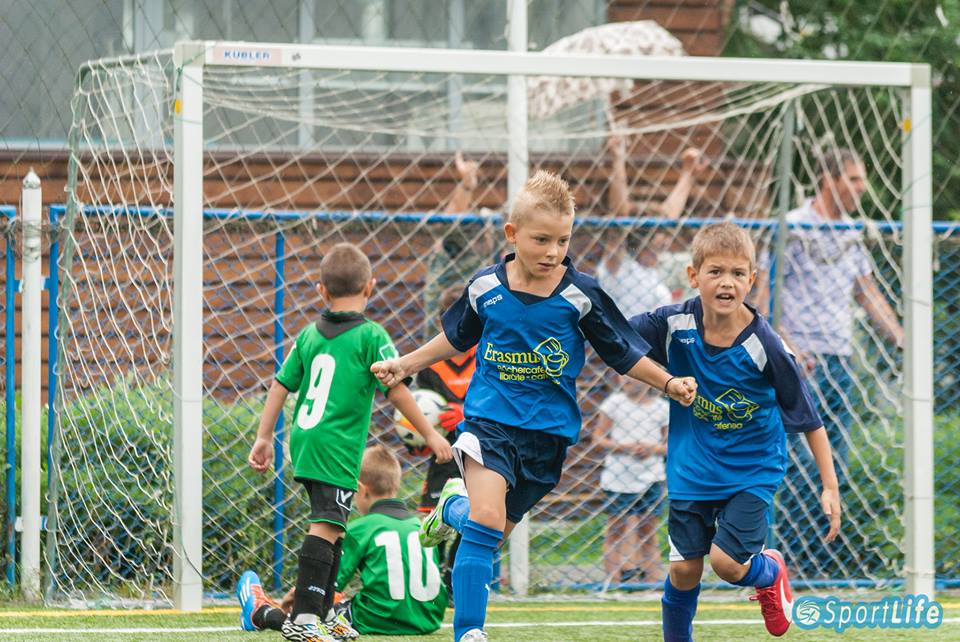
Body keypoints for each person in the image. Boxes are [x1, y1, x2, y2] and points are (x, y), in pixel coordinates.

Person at [370, 170, 698, 642]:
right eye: (541, 240)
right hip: (489, 424)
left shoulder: (580, 294)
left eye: (562, 241)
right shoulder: (486, 287)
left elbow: (622, 353)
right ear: (513, 234)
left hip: (547, 436)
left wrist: (668, 382)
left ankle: (452, 509)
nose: (552, 251)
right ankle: (469, 632)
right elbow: (456, 337)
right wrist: (404, 363)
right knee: (486, 522)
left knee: (488, 534)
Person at [628, 222, 841, 641]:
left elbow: (810, 420)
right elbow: (615, 337)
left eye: (737, 273)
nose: (727, 282)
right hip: (691, 467)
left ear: (751, 280)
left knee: (726, 565)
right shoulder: (672, 323)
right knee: (684, 570)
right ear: (693, 276)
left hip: (751, 470)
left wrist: (829, 486)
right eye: (716, 271)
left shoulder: (767, 345)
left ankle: (770, 572)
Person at [244, 242, 453, 642]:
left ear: (321, 291)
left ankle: (322, 612)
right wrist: (430, 434)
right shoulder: (371, 336)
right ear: (370, 286)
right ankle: (306, 618)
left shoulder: (308, 335)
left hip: (305, 440)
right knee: (326, 525)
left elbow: (280, 385)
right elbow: (397, 390)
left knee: (336, 526)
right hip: (335, 446)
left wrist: (264, 436)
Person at [752, 147, 902, 576]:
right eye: (853, 179)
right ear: (829, 180)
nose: (861, 188)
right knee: (799, 466)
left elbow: (867, 292)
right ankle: (783, 561)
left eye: (861, 179)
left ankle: (819, 561)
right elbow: (764, 297)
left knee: (835, 464)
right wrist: (787, 346)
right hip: (803, 361)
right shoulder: (793, 226)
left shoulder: (852, 232)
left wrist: (901, 336)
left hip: (841, 358)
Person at [238, 446, 449, 637]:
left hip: (376, 618)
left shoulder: (361, 528)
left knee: (315, 613)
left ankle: (261, 613)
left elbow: (326, 583)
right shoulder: (421, 526)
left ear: (361, 489)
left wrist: (296, 597)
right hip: (428, 619)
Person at [598, 136, 710, 315]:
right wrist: (618, 159)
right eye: (662, 233)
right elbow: (619, 218)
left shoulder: (652, 270)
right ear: (646, 235)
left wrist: (688, 174)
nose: (667, 237)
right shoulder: (619, 266)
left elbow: (668, 216)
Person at [414, 285, 477, 599]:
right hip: (443, 456)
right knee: (432, 517)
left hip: (480, 452)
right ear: (443, 322)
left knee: (478, 518)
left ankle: (454, 581)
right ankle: (431, 584)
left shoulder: (488, 356)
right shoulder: (429, 366)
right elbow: (419, 415)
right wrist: (423, 435)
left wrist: (464, 412)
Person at [591, 376, 668, 585]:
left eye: (632, 374)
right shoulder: (614, 403)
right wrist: (624, 447)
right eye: (621, 373)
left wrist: (651, 449)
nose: (624, 378)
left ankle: (652, 582)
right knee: (615, 530)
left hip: (651, 477)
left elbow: (669, 445)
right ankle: (613, 582)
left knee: (648, 531)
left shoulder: (662, 407)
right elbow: (598, 439)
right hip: (618, 477)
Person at [423, 152, 497, 339]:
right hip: (444, 345)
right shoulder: (446, 265)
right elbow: (452, 221)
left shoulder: (485, 271)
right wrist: (466, 185)